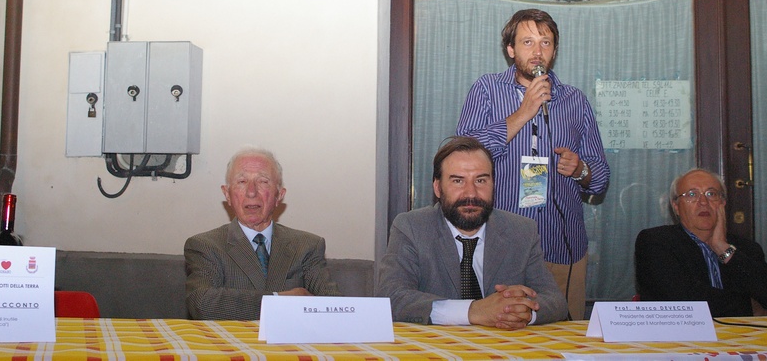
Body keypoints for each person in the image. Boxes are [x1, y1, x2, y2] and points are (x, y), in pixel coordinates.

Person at [456, 8, 610, 320]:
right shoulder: (486, 90)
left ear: (554, 50)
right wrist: (524, 111)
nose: (537, 52)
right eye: (527, 42)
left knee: (562, 342)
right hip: (499, 245)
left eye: (546, 43)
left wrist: (580, 169)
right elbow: (464, 157)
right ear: (511, 50)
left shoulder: (575, 100)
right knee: (497, 341)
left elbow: (601, 177)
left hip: (561, 244)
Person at [377, 136, 568, 327]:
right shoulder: (411, 227)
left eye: (481, 180)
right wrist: (473, 311)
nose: (471, 193)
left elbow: (555, 301)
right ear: (437, 187)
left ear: (494, 184)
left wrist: (521, 311)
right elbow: (392, 298)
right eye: (458, 181)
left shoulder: (521, 230)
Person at [184, 146, 341, 320]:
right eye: (242, 182)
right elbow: (202, 304)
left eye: (263, 182)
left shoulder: (307, 245)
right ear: (227, 194)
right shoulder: (206, 245)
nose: (251, 192)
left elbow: (332, 306)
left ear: (279, 195)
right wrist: (279, 300)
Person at [635, 168, 767, 317]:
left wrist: (722, 249)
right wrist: (749, 306)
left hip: (740, 338)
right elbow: (683, 302)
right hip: (683, 338)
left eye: (711, 194)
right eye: (692, 194)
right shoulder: (656, 241)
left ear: (723, 203)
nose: (703, 202)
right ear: (676, 207)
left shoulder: (745, 248)